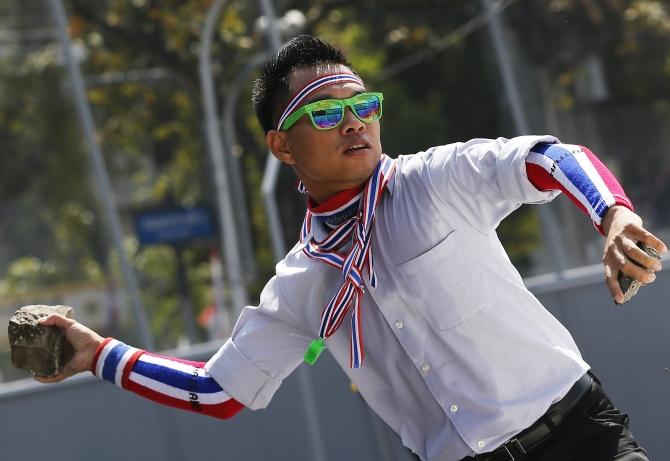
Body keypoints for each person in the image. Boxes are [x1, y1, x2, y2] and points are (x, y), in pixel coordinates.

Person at [36, 35, 666, 461]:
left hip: (581, 438)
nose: (355, 121)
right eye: (326, 113)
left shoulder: (432, 181)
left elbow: (550, 156)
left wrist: (610, 213)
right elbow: (218, 391)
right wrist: (101, 355)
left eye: (364, 104)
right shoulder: (300, 282)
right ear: (282, 147)